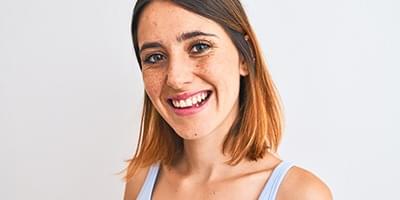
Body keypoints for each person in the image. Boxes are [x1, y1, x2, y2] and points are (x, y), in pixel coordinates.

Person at [123, 0, 332, 199]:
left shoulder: (299, 194)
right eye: (155, 57)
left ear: (245, 55)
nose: (176, 79)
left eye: (199, 47)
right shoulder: (140, 179)